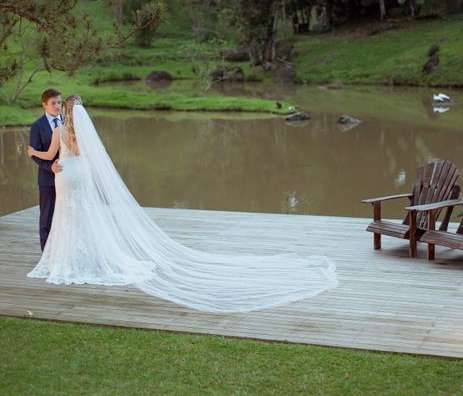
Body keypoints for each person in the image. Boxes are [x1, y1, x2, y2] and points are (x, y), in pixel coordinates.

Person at [27, 94, 338, 313]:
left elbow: (49, 155)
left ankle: (69, 259)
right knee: (87, 215)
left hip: (65, 176)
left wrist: (31, 153)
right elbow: (91, 158)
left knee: (68, 217)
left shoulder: (59, 131)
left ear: (63, 111)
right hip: (82, 176)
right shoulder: (85, 134)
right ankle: (93, 258)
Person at [29, 89, 64, 251]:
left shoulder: (68, 122)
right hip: (47, 179)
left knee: (66, 215)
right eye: (53, 103)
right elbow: (34, 154)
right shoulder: (37, 126)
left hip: (67, 178)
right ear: (44, 105)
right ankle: (46, 253)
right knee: (47, 218)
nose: (57, 106)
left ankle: (64, 250)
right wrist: (49, 167)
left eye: (59, 102)